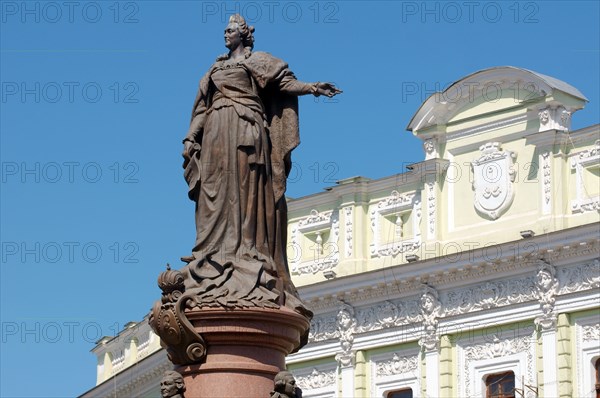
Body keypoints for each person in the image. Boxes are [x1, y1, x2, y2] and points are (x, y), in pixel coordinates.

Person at [180, 14, 341, 313]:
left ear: (243, 34)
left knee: (246, 191)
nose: (225, 35)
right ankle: (213, 254)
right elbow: (202, 108)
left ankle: (246, 252)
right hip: (216, 135)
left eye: (230, 30)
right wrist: (191, 138)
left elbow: (285, 84)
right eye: (224, 31)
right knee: (213, 194)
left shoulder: (259, 61)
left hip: (245, 132)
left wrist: (314, 87)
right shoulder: (215, 68)